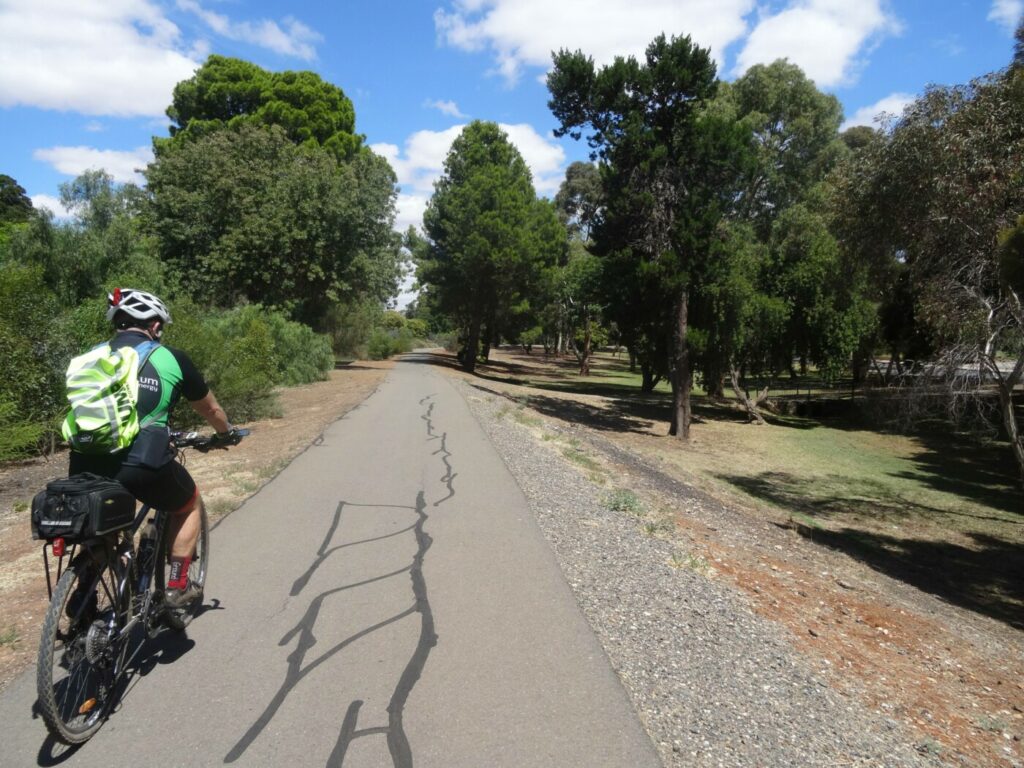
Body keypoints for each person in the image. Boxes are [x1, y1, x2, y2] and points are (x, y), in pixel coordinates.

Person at [68, 288, 236, 607]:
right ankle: (177, 585)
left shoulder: (91, 356)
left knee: (104, 520)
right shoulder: (169, 357)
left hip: (84, 462)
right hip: (141, 460)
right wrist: (226, 434)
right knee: (188, 505)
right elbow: (211, 410)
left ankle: (85, 589)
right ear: (155, 326)